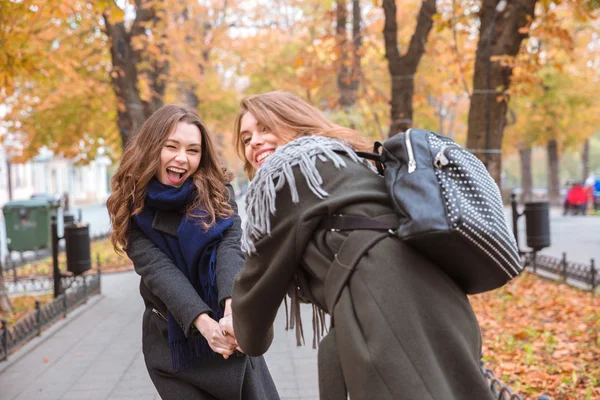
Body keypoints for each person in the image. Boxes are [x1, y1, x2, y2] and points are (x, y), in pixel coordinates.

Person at [220, 91, 495, 400]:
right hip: (437, 297)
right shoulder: (345, 157)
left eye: (264, 128)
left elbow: (261, 272)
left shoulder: (287, 173)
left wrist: (241, 330)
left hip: (384, 309)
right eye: (245, 139)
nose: (254, 142)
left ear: (295, 124)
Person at [106, 105, 279, 400]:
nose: (182, 159)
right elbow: (160, 272)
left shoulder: (215, 191)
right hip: (176, 345)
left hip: (228, 334)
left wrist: (230, 311)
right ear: (151, 147)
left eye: (193, 150)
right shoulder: (131, 205)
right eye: (171, 147)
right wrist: (205, 325)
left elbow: (229, 245)